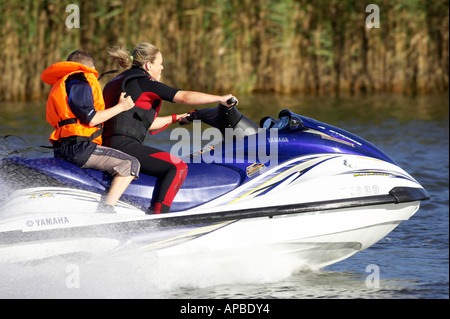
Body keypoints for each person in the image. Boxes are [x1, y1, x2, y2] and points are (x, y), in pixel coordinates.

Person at [103, 43, 238, 214]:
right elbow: (184, 96)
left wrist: (176, 118)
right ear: (149, 65)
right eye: (160, 64)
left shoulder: (118, 81)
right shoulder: (144, 81)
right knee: (177, 166)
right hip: (124, 145)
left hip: (111, 143)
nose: (162, 68)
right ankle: (160, 218)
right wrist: (221, 98)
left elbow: (144, 125)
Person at [41, 49, 140, 213]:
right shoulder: (80, 80)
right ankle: (106, 211)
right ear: (90, 67)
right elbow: (91, 118)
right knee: (130, 164)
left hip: (65, 146)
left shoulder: (63, 82)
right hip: (80, 148)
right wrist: (121, 107)